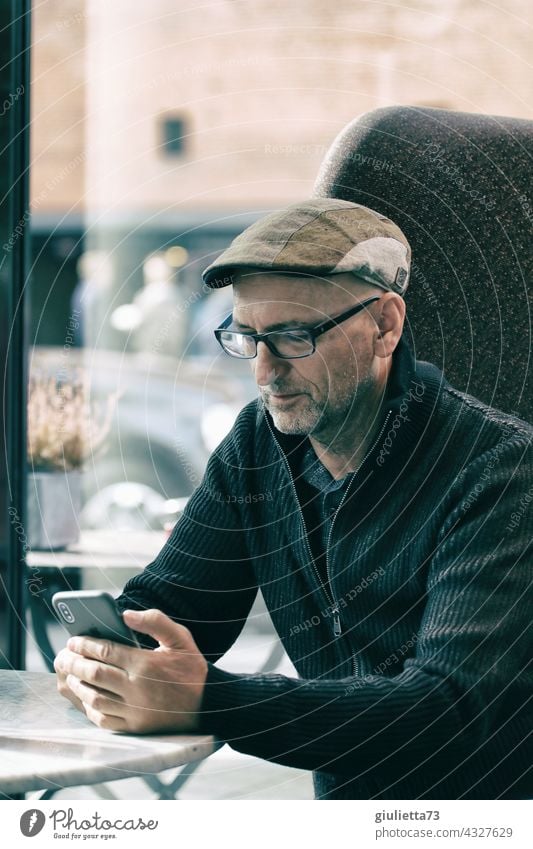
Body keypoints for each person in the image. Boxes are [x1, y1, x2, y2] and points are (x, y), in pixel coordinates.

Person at [54, 199, 533, 800]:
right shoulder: (258, 441)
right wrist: (108, 664)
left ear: (384, 326)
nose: (263, 372)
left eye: (292, 336)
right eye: (246, 338)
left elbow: (450, 713)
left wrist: (209, 700)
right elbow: (176, 615)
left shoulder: (501, 470)